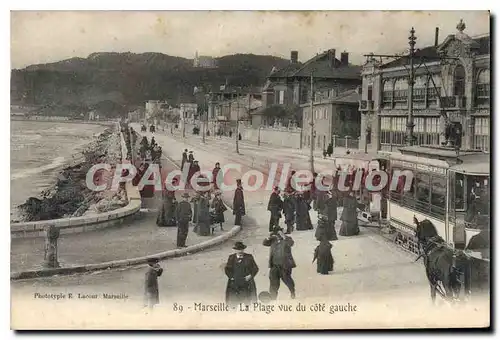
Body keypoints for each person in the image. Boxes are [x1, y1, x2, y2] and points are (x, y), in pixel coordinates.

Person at [263, 226, 296, 300]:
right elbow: (264, 243)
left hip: (285, 265)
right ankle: (273, 297)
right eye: (276, 233)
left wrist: (283, 235)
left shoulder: (286, 238)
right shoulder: (272, 240)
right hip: (274, 265)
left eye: (278, 233)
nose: (277, 235)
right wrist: (269, 237)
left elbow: (291, 243)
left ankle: (292, 291)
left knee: (287, 279)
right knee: (273, 281)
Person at [224, 241, 259, 307]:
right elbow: (227, 269)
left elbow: (255, 268)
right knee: (233, 302)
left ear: (243, 249)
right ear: (235, 250)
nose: (240, 251)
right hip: (235, 283)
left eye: (241, 249)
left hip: (246, 282)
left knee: (247, 302)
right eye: (238, 250)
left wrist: (250, 275)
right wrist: (231, 277)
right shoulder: (231, 257)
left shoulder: (249, 257)